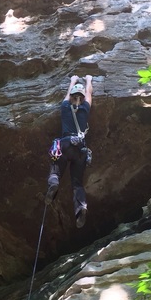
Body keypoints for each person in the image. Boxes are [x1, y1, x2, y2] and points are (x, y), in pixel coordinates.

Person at [45, 74, 93, 228]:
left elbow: (67, 95)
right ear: (82, 97)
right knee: (77, 183)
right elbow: (89, 94)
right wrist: (89, 80)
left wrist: (73, 80)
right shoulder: (85, 108)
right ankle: (80, 208)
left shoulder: (65, 107)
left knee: (55, 170)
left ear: (72, 96)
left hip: (65, 144)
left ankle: (54, 183)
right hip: (81, 149)